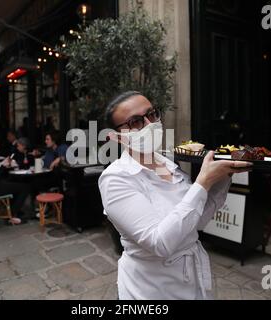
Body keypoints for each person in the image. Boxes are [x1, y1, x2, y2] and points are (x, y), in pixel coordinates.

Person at [98, 91, 253, 300]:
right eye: (135, 122)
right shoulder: (116, 179)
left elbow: (195, 222)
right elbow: (159, 243)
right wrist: (203, 182)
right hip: (151, 291)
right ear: (115, 137)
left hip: (192, 282)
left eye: (152, 115)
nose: (149, 124)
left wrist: (224, 176)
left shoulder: (169, 164)